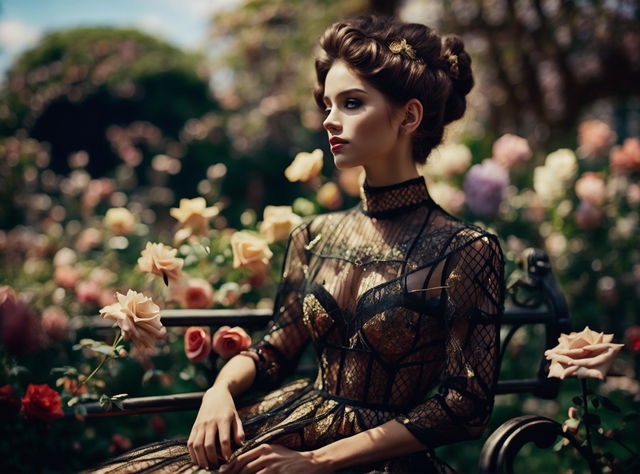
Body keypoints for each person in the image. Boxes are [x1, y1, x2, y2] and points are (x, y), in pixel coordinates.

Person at [89, 14, 504, 474]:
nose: (329, 120)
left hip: (375, 459)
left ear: (409, 115)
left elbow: (465, 405)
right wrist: (220, 390)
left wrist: (318, 461)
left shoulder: (466, 247)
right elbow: (274, 351)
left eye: (351, 103)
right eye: (327, 105)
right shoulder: (314, 235)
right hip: (289, 424)